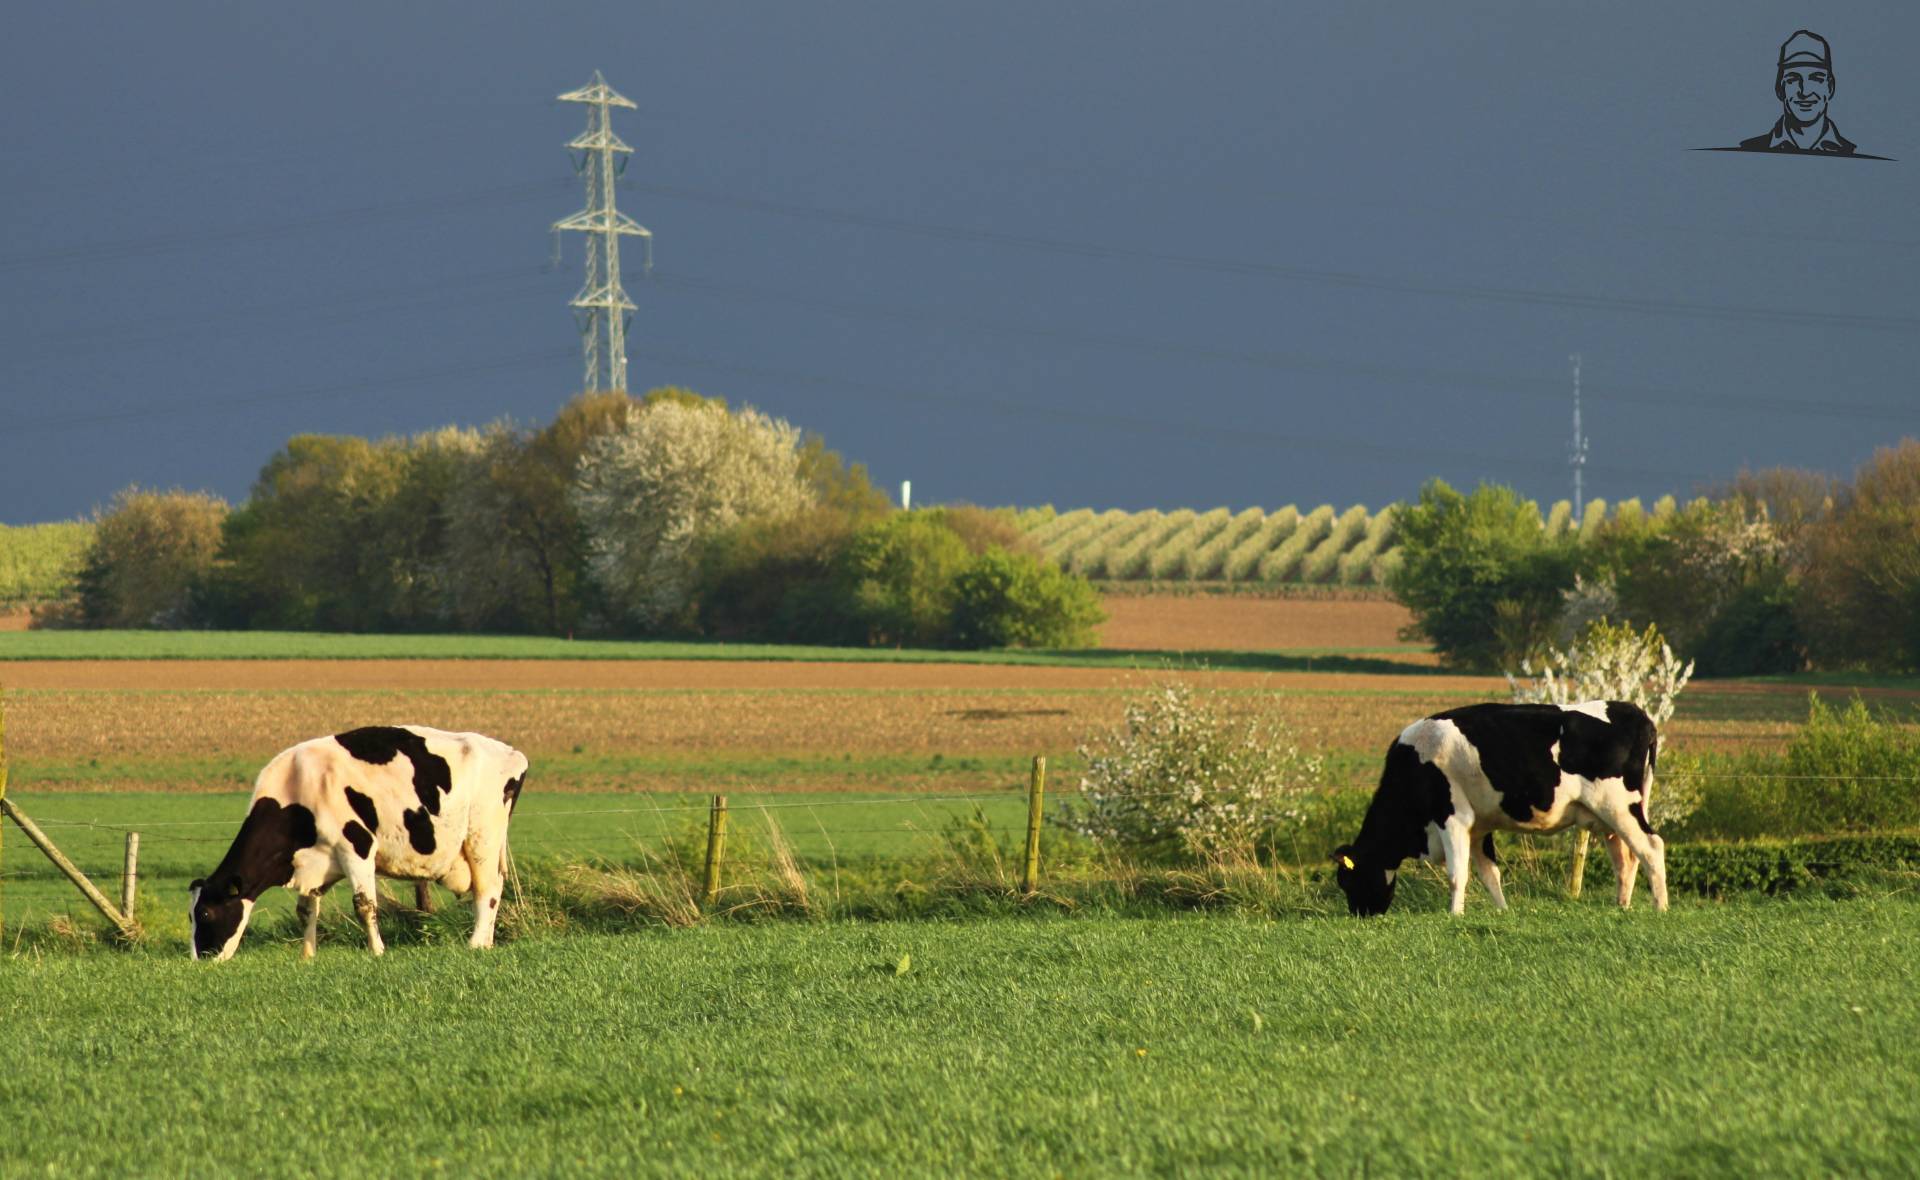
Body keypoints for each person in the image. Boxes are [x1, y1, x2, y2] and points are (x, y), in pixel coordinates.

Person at [1737, 30, 1856, 155]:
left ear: (1830, 88)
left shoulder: (1853, 154)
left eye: (1816, 79)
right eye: (1793, 79)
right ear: (1779, 89)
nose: (1805, 92)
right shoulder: (1748, 151)